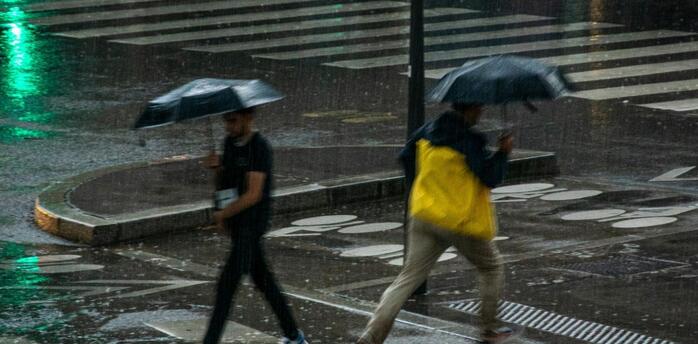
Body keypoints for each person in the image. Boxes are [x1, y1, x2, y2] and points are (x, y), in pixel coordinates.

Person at [356, 103, 522, 344]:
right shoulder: (469, 140)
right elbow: (491, 177)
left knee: (407, 279)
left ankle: (371, 337)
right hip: (459, 220)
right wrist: (503, 153)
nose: (481, 112)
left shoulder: (427, 131)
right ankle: (489, 330)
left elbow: (406, 157)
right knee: (491, 267)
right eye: (479, 109)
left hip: (424, 214)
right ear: (470, 109)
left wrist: (423, 189)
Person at [203, 107, 308, 344]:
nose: (228, 126)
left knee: (226, 285)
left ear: (248, 117)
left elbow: (254, 194)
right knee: (264, 282)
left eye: (233, 120)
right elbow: (227, 183)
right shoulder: (229, 143)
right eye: (225, 121)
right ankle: (293, 335)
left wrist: (222, 215)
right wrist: (217, 169)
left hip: (253, 224)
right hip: (239, 225)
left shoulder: (259, 147)